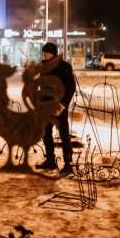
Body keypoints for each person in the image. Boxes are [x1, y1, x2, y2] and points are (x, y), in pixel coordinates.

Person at [35, 42, 77, 175]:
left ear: (53, 53)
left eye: (46, 52)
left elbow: (71, 87)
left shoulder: (64, 66)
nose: (44, 54)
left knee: (64, 134)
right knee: (46, 133)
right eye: (43, 53)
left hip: (59, 106)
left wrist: (63, 104)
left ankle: (68, 163)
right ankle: (50, 160)